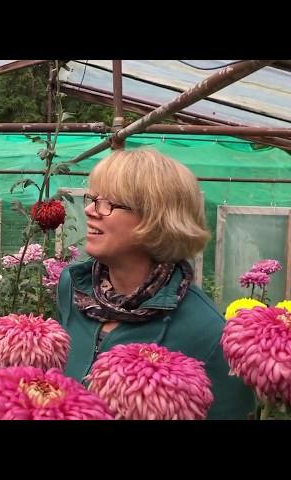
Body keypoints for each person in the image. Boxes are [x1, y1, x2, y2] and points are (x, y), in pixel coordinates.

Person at [56, 149, 254, 419]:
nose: (90, 210)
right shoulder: (73, 287)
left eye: (108, 203)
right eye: (93, 199)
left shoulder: (207, 332)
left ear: (155, 219)